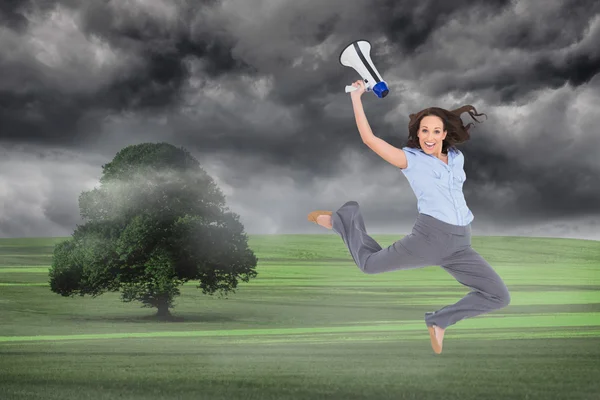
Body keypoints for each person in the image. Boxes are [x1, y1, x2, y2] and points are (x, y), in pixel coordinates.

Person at [307, 80, 511, 354]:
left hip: (462, 244)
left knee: (499, 296)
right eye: (424, 130)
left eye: (435, 131)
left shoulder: (456, 157)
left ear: (444, 133)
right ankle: (344, 218)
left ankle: (439, 321)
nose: (429, 136)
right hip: (430, 238)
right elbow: (370, 139)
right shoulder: (411, 160)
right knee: (368, 265)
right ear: (418, 132)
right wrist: (356, 97)